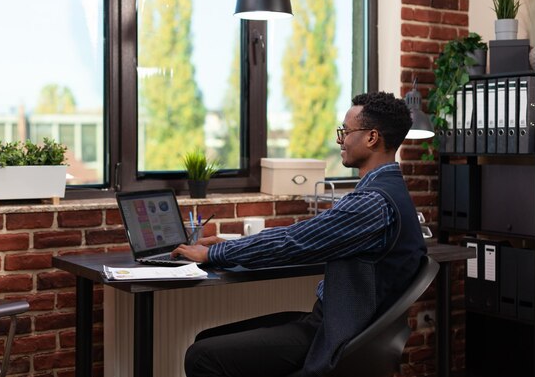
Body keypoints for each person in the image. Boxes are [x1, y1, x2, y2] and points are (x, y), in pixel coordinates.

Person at [171, 91, 427, 377]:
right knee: (206, 340)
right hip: (345, 325)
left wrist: (212, 253)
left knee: (201, 357)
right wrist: (234, 246)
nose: (340, 140)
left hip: (333, 334)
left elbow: (293, 241)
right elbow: (301, 236)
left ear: (371, 137)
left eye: (345, 131)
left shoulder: (371, 203)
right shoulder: (392, 190)